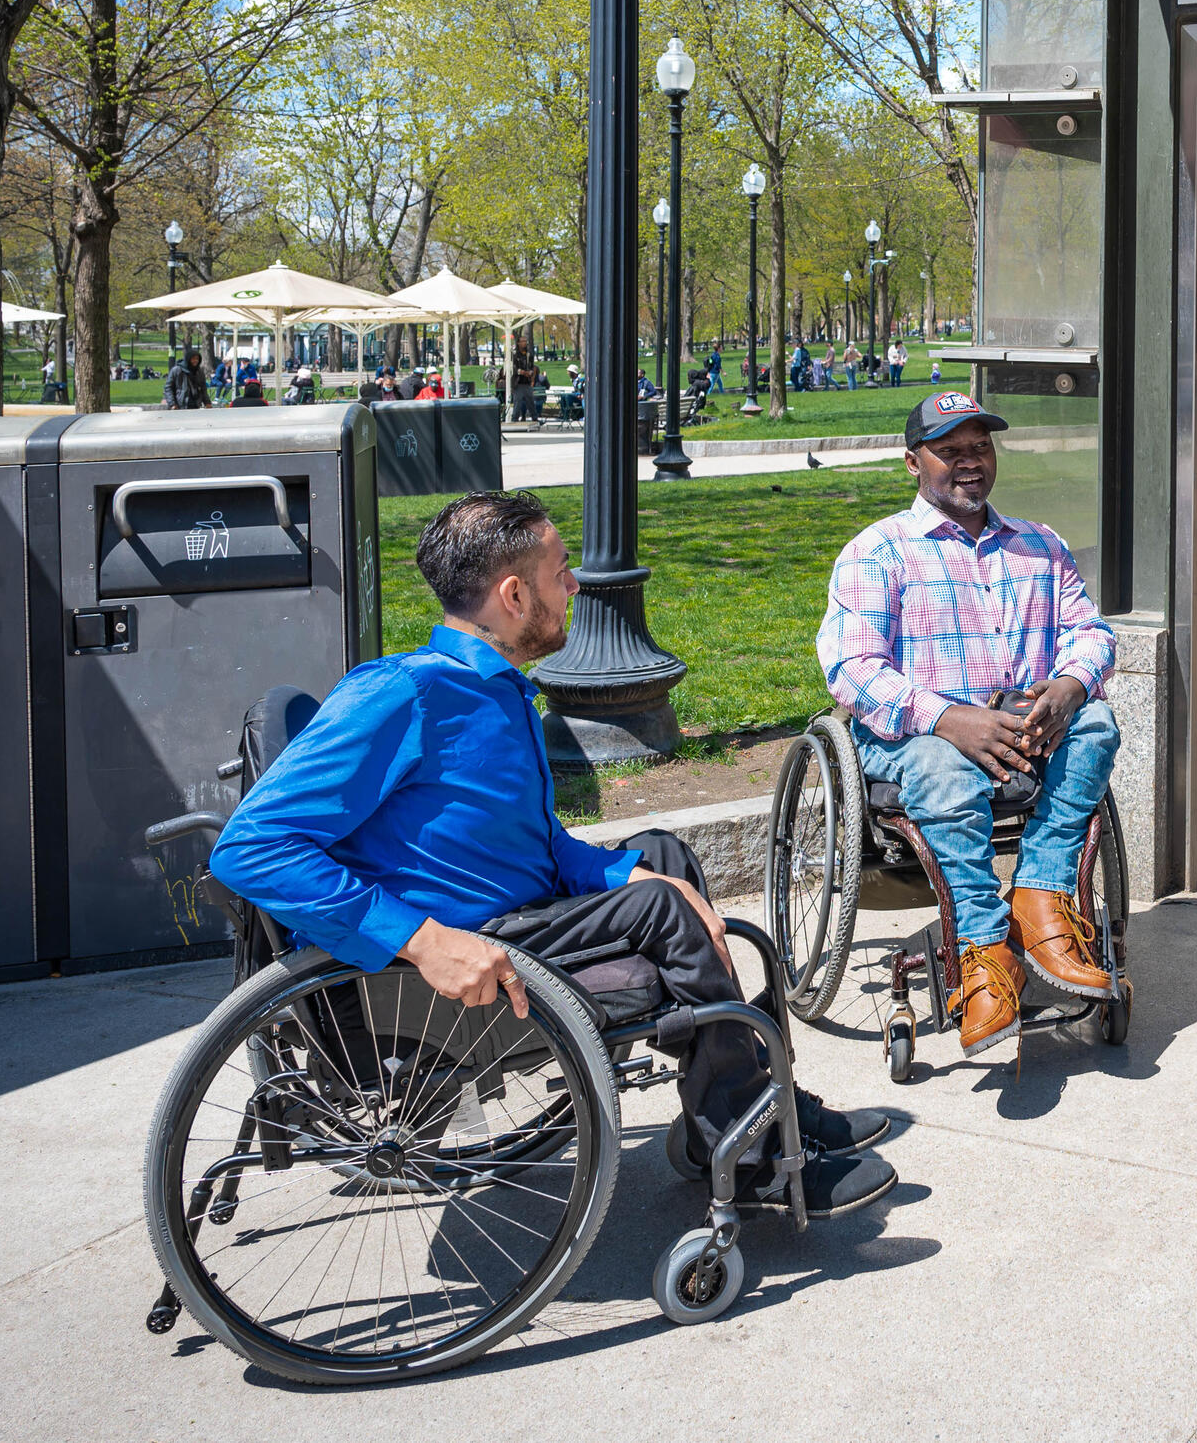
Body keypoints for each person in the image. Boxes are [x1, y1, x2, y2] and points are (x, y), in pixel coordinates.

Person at [211, 491, 897, 1216]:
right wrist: (421, 940)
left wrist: (621, 870)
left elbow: (535, 848)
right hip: (466, 954)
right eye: (560, 571)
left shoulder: (494, 693)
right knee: (663, 906)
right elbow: (251, 849)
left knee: (661, 857)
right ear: (514, 594)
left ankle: (748, 1104)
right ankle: (752, 1158)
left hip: (516, 914)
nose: (573, 586)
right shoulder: (405, 694)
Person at [817, 391, 1121, 1057]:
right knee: (938, 764)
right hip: (919, 740)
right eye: (949, 451)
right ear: (912, 462)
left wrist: (1068, 688)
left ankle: (1040, 896)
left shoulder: (1042, 545)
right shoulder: (878, 553)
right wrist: (949, 718)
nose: (969, 463)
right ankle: (985, 954)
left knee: (1096, 722)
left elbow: (1090, 632)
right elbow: (851, 668)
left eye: (979, 447)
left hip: (1027, 731)